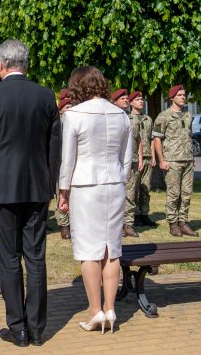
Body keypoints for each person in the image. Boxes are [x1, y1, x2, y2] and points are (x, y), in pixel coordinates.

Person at [0, 40, 61, 347]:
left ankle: (18, 329)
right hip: (37, 188)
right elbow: (54, 145)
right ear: (27, 64)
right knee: (35, 257)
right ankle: (37, 330)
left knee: (9, 259)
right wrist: (50, 184)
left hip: (1, 188)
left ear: (1, 65)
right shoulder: (45, 95)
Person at [59, 67, 132, 335]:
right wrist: (119, 180)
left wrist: (63, 191)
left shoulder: (74, 115)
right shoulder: (120, 114)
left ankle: (95, 311)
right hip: (114, 183)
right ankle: (111, 308)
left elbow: (68, 159)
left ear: (77, 86)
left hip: (85, 185)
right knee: (111, 249)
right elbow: (127, 158)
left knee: (89, 249)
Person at [153, 84, 197, 237]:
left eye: (184, 95)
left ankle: (183, 222)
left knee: (186, 193)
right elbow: (157, 139)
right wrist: (161, 160)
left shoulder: (187, 115)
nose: (183, 97)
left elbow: (189, 136)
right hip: (172, 160)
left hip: (187, 160)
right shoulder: (163, 116)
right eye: (180, 95)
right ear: (172, 98)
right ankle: (173, 223)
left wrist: (191, 157)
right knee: (174, 193)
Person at [113, 88, 143, 238]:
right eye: (122, 98)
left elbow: (139, 140)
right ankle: (117, 226)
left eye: (126, 98)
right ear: (115, 101)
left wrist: (141, 158)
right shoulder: (112, 118)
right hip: (116, 162)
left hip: (133, 161)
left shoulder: (134, 119)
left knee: (131, 195)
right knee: (116, 196)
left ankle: (128, 225)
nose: (125, 100)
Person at [128, 91, 157, 227]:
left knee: (146, 187)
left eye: (142, 99)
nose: (141, 101)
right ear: (131, 102)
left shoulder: (148, 119)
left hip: (147, 157)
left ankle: (144, 213)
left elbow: (151, 139)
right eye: (138, 99)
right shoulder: (128, 118)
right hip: (134, 158)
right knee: (133, 188)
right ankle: (134, 215)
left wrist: (153, 156)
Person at [55, 95, 72, 239]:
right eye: (67, 107)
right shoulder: (57, 125)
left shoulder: (75, 123)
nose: (70, 109)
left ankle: (73, 224)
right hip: (60, 165)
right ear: (60, 111)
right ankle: (64, 225)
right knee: (61, 195)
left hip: (74, 165)